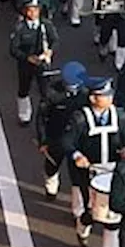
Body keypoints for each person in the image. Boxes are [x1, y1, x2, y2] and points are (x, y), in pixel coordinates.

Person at [62, 76, 125, 247]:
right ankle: (83, 224)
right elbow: (67, 141)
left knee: (113, 215)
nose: (109, 98)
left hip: (115, 171)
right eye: (104, 95)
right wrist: (77, 155)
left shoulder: (119, 115)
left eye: (110, 95)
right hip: (90, 171)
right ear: (93, 98)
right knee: (91, 210)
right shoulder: (80, 118)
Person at [37, 60, 89, 199]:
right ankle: (51, 185)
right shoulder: (52, 92)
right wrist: (43, 140)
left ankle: (79, 203)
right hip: (56, 136)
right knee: (52, 165)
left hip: (77, 139)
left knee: (79, 172)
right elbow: (41, 117)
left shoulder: (86, 94)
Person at [10, 0, 59, 125]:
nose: (33, 13)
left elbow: (55, 40)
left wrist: (50, 51)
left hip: (42, 61)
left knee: (45, 90)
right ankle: (24, 114)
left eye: (36, 9)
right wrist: (27, 58)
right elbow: (13, 49)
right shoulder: (20, 28)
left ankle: (46, 115)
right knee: (24, 89)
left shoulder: (46, 25)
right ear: (26, 11)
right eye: (30, 10)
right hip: (26, 64)